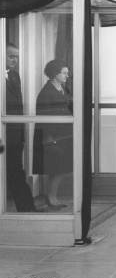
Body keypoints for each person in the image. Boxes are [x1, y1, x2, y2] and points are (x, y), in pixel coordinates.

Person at [33, 60, 73, 211]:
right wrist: (49, 138)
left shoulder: (63, 88)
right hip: (52, 136)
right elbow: (43, 117)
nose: (67, 76)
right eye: (64, 73)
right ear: (55, 74)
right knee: (56, 168)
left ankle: (52, 196)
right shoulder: (46, 92)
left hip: (63, 135)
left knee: (60, 168)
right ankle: (51, 197)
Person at [5, 43, 37, 212]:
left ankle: (27, 210)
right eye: (11, 56)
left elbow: (19, 107)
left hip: (14, 136)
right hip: (2, 136)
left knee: (16, 172)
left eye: (17, 57)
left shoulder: (15, 76)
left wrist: (22, 135)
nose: (15, 60)